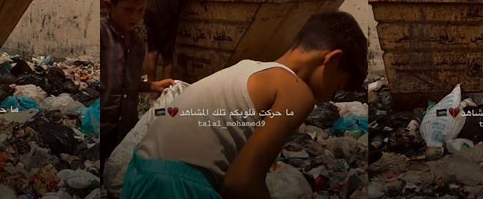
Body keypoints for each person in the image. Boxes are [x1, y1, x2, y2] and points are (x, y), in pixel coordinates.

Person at [122, 11, 369, 199]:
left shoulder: (249, 68)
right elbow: (240, 183)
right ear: (333, 59)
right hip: (177, 187)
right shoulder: (296, 91)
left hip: (138, 174)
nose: (327, 98)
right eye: (337, 86)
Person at [101, 0, 175, 179]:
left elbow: (127, 84)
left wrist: (152, 86)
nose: (135, 17)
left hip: (125, 128)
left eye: (140, 10)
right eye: (128, 10)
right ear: (109, 6)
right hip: (102, 126)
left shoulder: (137, 42)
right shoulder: (102, 36)